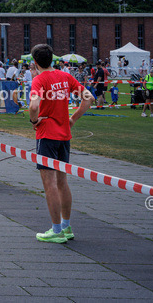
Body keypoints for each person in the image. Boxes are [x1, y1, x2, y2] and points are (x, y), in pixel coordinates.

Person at [28, 43, 93, 243]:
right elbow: (89, 97)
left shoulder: (39, 80)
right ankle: (66, 226)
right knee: (62, 182)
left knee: (49, 185)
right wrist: (72, 119)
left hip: (47, 135)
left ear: (35, 62)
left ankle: (56, 230)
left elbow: (34, 105)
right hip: (64, 135)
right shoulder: (65, 76)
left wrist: (33, 120)